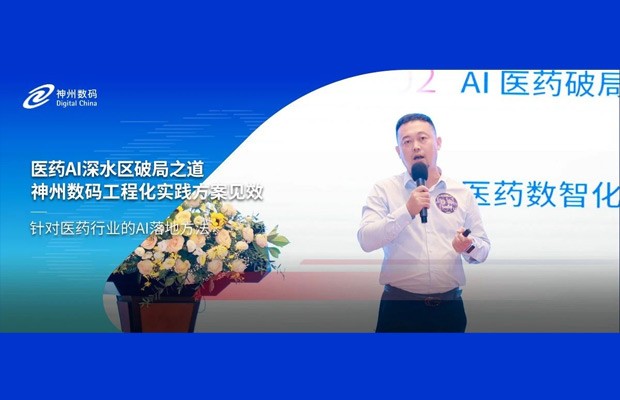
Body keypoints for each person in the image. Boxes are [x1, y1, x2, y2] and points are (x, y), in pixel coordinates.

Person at [357, 113, 490, 332]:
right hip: (399, 309)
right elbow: (366, 240)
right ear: (398, 151)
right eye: (407, 142)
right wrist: (407, 211)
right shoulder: (384, 190)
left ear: (438, 143)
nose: (416, 147)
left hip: (449, 310)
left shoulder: (462, 192)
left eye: (422, 138)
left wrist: (468, 246)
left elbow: (483, 249)